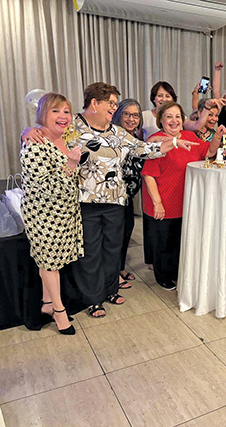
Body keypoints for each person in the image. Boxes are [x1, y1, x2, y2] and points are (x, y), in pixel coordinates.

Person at [22, 83, 193, 318]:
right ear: (95, 103)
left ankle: (110, 289)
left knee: (113, 249)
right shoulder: (73, 126)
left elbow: (144, 149)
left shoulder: (117, 132)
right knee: (91, 253)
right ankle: (93, 298)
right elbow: (46, 131)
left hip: (115, 200)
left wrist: (173, 143)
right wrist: (27, 130)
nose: (115, 108)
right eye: (111, 103)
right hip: (84, 201)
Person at [142, 101, 222, 290]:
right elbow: (148, 174)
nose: (174, 120)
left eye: (177, 116)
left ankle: (178, 272)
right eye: (169, 116)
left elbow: (209, 152)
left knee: (179, 240)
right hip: (162, 199)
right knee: (163, 241)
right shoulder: (156, 140)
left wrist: (217, 137)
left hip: (185, 200)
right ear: (161, 120)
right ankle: (163, 276)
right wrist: (158, 203)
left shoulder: (189, 136)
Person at [20, 93, 81, 335]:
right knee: (50, 263)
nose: (63, 116)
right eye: (56, 111)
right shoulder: (34, 144)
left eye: (66, 111)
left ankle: (47, 303)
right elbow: (45, 187)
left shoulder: (66, 137)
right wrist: (71, 166)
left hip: (64, 212)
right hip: (43, 214)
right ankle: (59, 312)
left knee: (52, 261)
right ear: (42, 114)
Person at [111, 99, 144, 288]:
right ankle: (113, 274)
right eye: (127, 114)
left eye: (136, 115)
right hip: (113, 198)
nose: (132, 119)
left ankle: (120, 267)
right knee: (115, 237)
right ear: (119, 115)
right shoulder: (114, 138)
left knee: (126, 232)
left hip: (128, 198)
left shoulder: (137, 140)